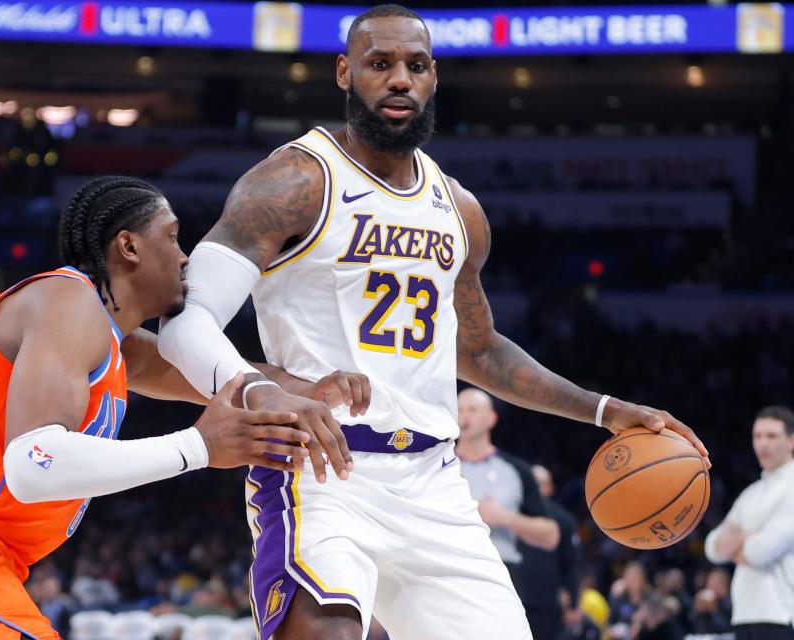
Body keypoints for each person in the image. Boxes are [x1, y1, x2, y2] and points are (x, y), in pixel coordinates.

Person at [156, 5, 710, 638]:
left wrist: (606, 409)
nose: (400, 79)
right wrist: (263, 388)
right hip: (321, 473)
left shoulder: (459, 209)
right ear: (344, 73)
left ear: (434, 77)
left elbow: (481, 353)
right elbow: (183, 325)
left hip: (435, 483)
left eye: (415, 66)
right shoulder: (293, 181)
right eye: (379, 64)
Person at [0, 176, 349, 639]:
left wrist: (311, 386)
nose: (186, 256)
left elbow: (230, 378)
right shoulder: (68, 302)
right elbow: (33, 463)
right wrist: (198, 446)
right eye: (172, 236)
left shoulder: (114, 344)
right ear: (128, 246)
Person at [454, 389, 560, 588]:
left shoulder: (516, 470)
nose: (465, 415)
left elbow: (551, 535)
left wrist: (504, 517)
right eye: (459, 410)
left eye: (473, 409)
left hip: (501, 570)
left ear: (491, 418)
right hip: (448, 568)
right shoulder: (436, 465)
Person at [705, 405, 794, 640]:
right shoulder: (750, 494)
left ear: (791, 441)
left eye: (771, 436)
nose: (763, 443)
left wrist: (738, 542)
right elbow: (712, 547)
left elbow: (760, 551)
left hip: (782, 612)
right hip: (743, 614)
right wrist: (749, 538)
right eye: (757, 436)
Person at [521, 463, 583, 638]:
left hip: (547, 604)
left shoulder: (564, 521)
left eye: (538, 483)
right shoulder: (509, 515)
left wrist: (573, 604)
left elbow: (572, 564)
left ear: (549, 487)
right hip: (513, 598)